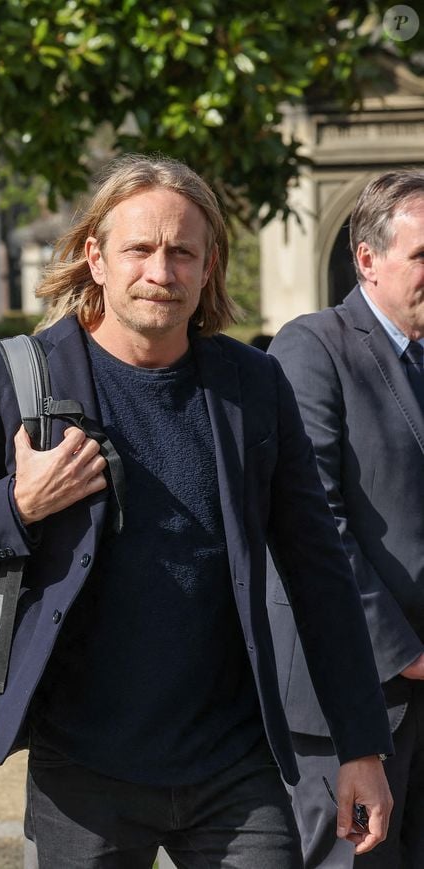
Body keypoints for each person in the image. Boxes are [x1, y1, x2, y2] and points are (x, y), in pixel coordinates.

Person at [0, 155, 393, 869]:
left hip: (234, 768)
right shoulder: (9, 377)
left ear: (209, 266)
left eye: (183, 252)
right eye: (140, 249)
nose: (161, 270)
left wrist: (361, 746)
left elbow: (320, 574)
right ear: (95, 257)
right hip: (82, 769)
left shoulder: (253, 384)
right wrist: (19, 504)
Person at [267, 169, 424, 867]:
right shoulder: (313, 348)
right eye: (422, 255)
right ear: (367, 259)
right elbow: (311, 522)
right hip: (348, 701)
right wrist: (406, 651)